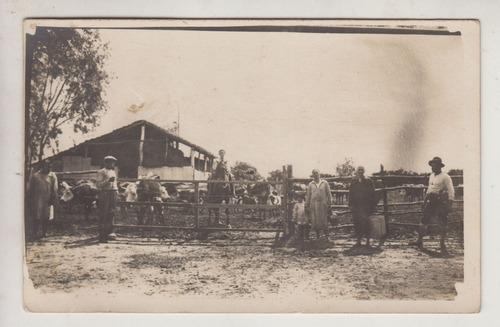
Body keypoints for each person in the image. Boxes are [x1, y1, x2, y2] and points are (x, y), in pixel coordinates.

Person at [409, 157, 455, 255]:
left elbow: (451, 191)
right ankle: (419, 241)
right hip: (431, 201)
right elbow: (429, 190)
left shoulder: (445, 177)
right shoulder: (431, 176)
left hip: (440, 202)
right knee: (424, 220)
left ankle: (442, 244)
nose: (432, 167)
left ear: (439, 166)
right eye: (431, 166)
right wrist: (424, 202)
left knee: (442, 222)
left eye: (434, 166)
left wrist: (449, 204)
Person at [28, 160, 58, 240]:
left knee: (46, 216)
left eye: (50, 167)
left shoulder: (52, 176)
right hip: (37, 198)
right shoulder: (36, 176)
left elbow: (55, 189)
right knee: (37, 215)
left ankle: (44, 232)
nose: (49, 168)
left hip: (48, 198)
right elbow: (31, 188)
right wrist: (30, 198)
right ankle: (35, 232)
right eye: (47, 166)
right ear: (43, 166)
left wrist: (53, 198)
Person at [349, 166, 376, 247]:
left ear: (364, 171)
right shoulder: (353, 181)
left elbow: (373, 194)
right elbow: (350, 194)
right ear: (356, 172)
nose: (360, 172)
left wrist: (373, 206)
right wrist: (350, 205)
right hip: (356, 206)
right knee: (357, 223)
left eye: (362, 170)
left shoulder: (368, 181)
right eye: (359, 170)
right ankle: (359, 240)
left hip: (366, 206)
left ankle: (367, 241)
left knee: (366, 223)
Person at [96, 156, 118, 243]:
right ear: (106, 163)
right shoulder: (101, 172)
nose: (112, 164)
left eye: (113, 163)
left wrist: (117, 192)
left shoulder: (113, 172)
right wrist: (108, 181)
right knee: (103, 214)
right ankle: (102, 236)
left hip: (113, 193)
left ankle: (108, 234)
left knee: (111, 213)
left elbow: (115, 184)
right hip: (105, 193)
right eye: (110, 162)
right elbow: (98, 185)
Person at [305, 169, 332, 241]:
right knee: (315, 220)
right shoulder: (311, 184)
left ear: (319, 174)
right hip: (313, 204)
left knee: (324, 220)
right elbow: (308, 195)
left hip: (323, 204)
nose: (315, 174)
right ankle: (318, 236)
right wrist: (306, 204)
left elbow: (329, 193)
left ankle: (327, 236)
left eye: (316, 173)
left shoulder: (324, 183)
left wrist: (330, 203)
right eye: (313, 173)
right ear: (312, 175)